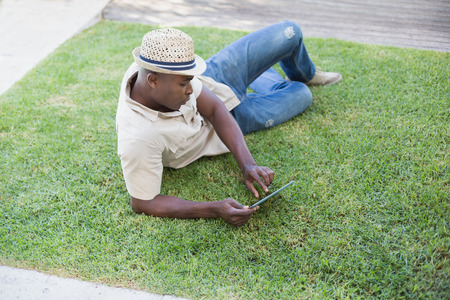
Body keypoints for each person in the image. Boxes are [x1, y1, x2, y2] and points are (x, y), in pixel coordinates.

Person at [116, 20, 342, 226]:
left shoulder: (160, 73)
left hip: (216, 77)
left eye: (190, 80)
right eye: (185, 83)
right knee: (302, 94)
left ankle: (300, 72)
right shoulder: (138, 137)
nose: (190, 90)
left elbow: (214, 108)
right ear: (153, 81)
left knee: (290, 32)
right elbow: (143, 202)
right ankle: (263, 75)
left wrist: (248, 165)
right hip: (234, 119)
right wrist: (213, 209)